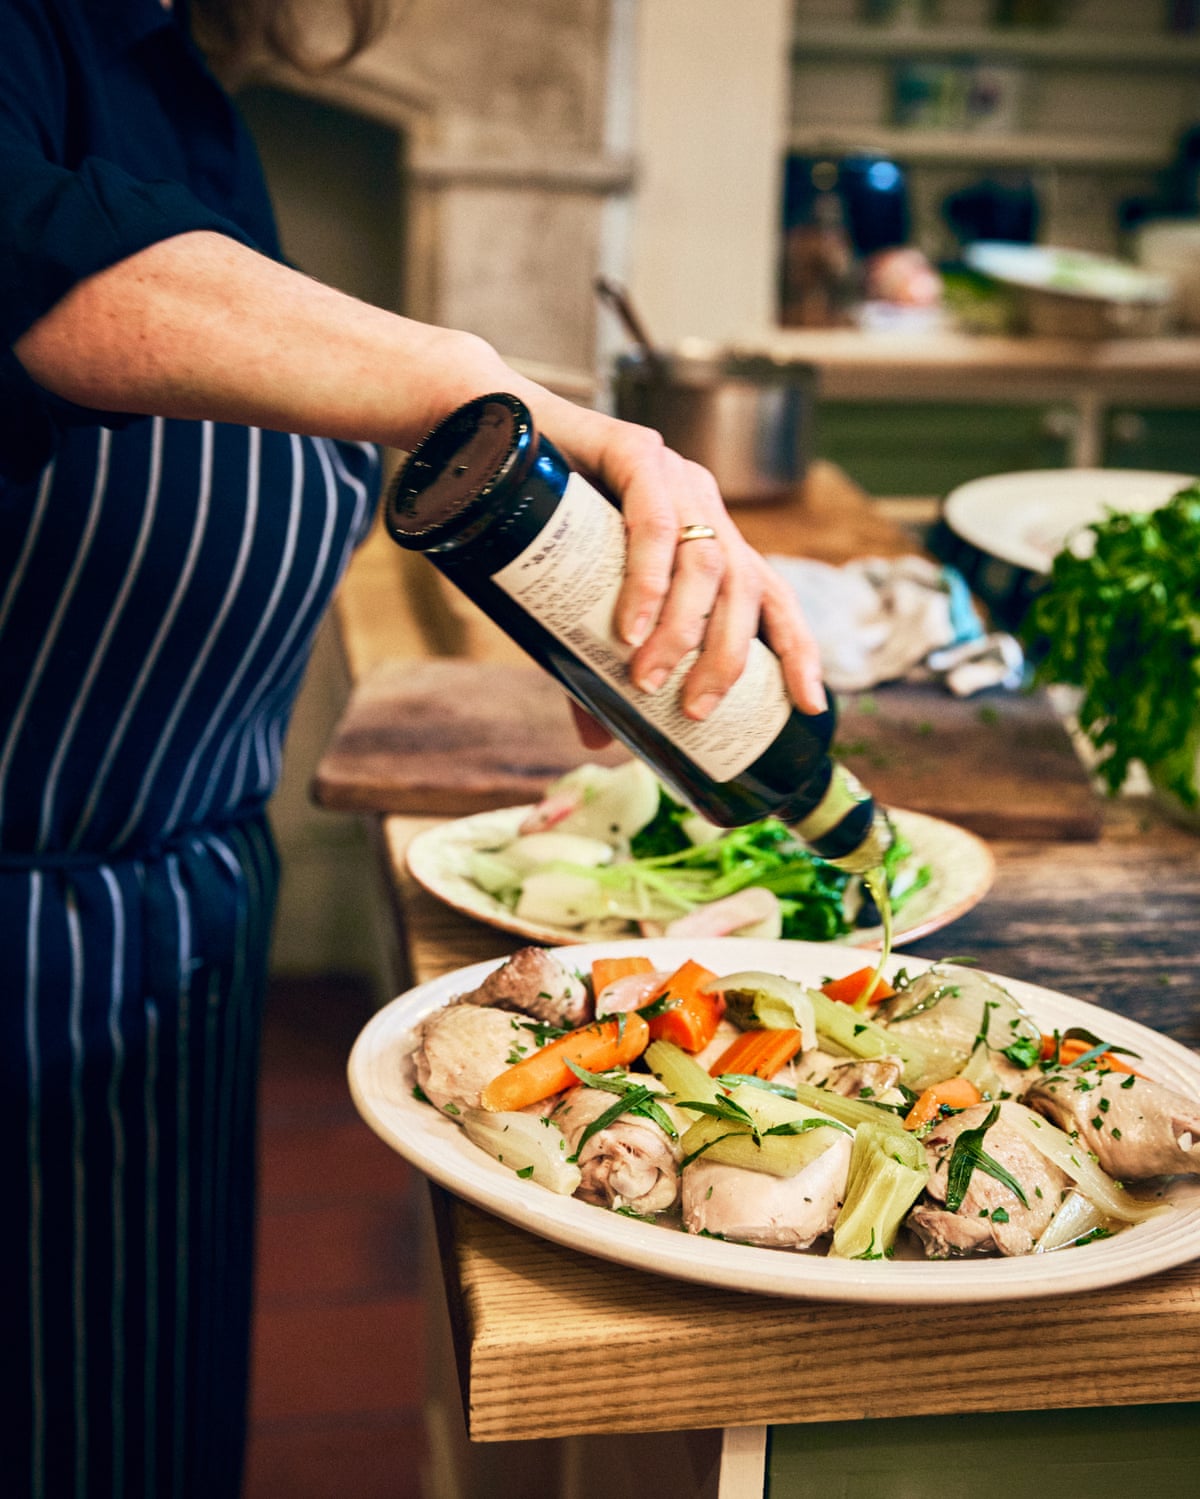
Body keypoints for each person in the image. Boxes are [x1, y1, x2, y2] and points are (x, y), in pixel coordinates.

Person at [0, 2, 824, 1495]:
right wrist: (522, 402)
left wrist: (563, 585)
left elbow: (243, 396)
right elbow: (38, 259)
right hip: (19, 949)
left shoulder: (164, 66)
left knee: (133, 1431)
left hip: (169, 930)